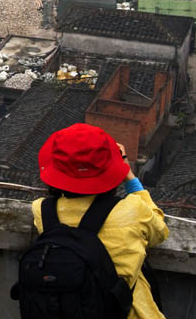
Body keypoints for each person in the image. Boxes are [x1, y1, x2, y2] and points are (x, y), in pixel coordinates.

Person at [30, 123, 169, 319]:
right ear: (111, 168)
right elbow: (160, 231)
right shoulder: (133, 211)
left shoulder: (42, 211)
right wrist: (128, 174)